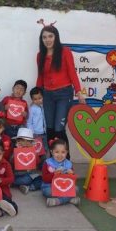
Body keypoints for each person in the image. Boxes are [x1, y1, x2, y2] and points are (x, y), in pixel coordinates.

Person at [36, 25, 86, 157]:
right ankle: (52, 163)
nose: (47, 40)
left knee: (59, 129)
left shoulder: (65, 52)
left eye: (50, 36)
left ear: (56, 37)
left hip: (64, 94)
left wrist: (79, 92)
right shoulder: (40, 55)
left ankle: (66, 163)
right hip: (47, 95)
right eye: (44, 37)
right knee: (50, 129)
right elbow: (40, 76)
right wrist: (36, 96)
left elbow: (72, 73)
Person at [41, 138, 80, 206]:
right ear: (52, 152)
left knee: (76, 189)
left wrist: (71, 174)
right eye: (57, 152)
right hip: (50, 185)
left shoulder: (68, 164)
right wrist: (54, 174)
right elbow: (45, 179)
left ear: (66, 152)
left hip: (65, 187)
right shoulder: (48, 163)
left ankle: (58, 201)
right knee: (47, 192)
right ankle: (69, 199)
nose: (60, 155)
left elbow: (72, 181)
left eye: (63, 152)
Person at [11, 128, 42, 195]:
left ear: (31, 143)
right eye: (22, 141)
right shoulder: (15, 151)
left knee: (41, 179)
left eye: (28, 141)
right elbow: (11, 162)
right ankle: (24, 185)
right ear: (17, 142)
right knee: (25, 180)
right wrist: (17, 152)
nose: (25, 143)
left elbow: (38, 162)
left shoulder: (32, 152)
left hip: (30, 174)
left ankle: (28, 187)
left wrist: (34, 153)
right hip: (18, 175)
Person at [27, 86, 48, 156]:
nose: (38, 100)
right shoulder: (32, 109)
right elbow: (29, 122)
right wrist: (32, 133)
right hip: (36, 134)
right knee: (36, 151)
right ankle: (37, 165)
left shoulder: (44, 107)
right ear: (32, 99)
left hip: (44, 133)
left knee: (44, 149)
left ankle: (44, 165)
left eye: (40, 98)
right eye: (35, 99)